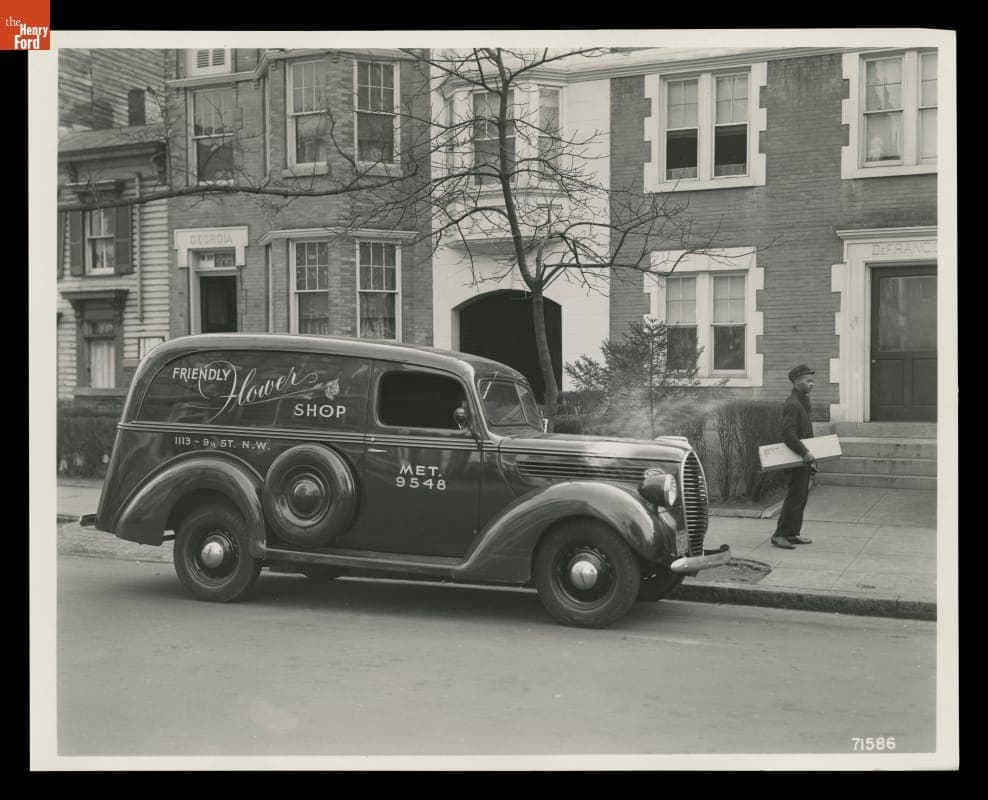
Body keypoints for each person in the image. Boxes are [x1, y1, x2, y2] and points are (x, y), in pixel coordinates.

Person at [771, 364, 817, 549]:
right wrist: (805, 452)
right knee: (794, 496)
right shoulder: (792, 403)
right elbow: (788, 434)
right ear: (797, 382)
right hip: (796, 457)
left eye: (812, 380)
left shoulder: (802, 402)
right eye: (808, 381)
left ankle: (792, 533)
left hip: (803, 458)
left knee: (801, 496)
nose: (812, 384)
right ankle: (780, 534)